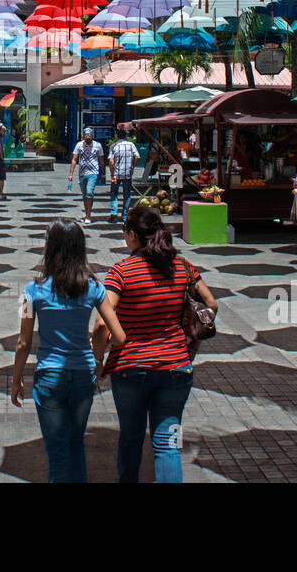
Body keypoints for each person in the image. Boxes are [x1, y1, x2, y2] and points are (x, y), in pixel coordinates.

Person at [99, 205, 216, 483]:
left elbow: (103, 322)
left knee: (130, 437)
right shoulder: (182, 266)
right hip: (176, 368)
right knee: (168, 444)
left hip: (130, 368)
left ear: (131, 235)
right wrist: (192, 345)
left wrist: (98, 360)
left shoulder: (121, 272)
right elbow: (210, 304)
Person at [11, 219, 125, 483]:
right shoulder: (95, 288)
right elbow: (118, 336)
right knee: (76, 446)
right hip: (84, 376)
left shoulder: (31, 291)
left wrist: (16, 379)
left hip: (49, 376)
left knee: (57, 452)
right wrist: (97, 357)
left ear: (49, 248)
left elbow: (23, 342)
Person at [66, 127, 105, 225]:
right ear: (83, 136)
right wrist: (71, 174)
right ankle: (87, 212)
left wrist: (103, 173)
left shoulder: (97, 145)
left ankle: (88, 215)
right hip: (82, 173)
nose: (87, 138)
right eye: (86, 136)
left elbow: (101, 160)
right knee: (84, 195)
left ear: (92, 136)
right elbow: (74, 159)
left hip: (93, 172)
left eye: (89, 136)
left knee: (89, 192)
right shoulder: (79, 145)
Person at [107, 125, 140, 224]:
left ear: (117, 136)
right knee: (127, 195)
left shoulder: (113, 146)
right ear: (125, 136)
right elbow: (137, 157)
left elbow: (111, 161)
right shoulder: (131, 145)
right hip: (127, 174)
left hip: (116, 174)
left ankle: (114, 211)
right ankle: (125, 216)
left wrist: (112, 174)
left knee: (114, 193)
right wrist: (132, 166)